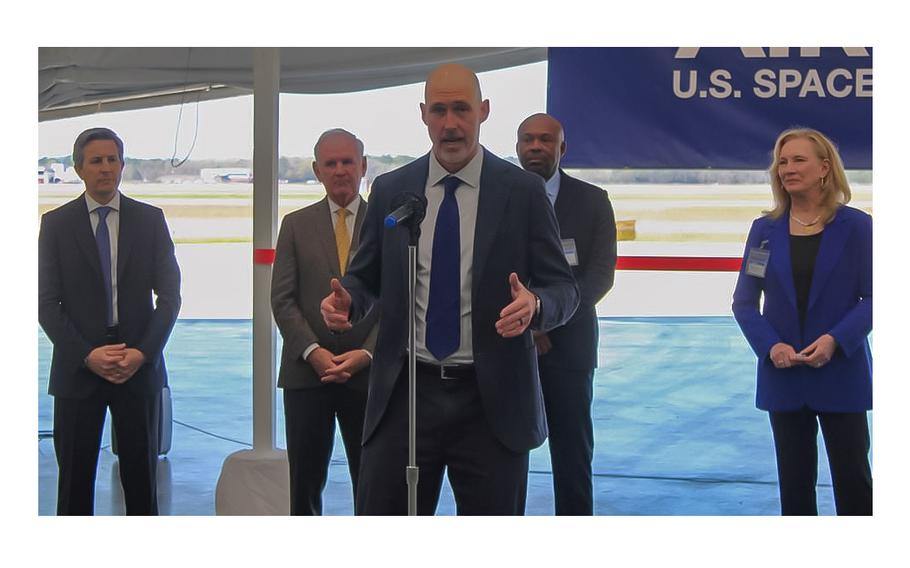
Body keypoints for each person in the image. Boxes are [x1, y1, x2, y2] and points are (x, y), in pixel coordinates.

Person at [320, 63, 579, 515]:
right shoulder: (392, 189)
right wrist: (349, 301)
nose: (451, 123)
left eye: (461, 109)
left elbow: (564, 288)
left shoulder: (521, 192)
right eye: (439, 110)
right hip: (406, 395)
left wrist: (535, 305)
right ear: (424, 115)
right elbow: (366, 277)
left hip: (491, 401)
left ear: (483, 111)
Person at [38, 127, 181, 515]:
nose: (106, 168)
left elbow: (169, 297)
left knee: (141, 485)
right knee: (73, 488)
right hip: (78, 370)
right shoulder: (56, 225)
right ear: (79, 168)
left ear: (122, 165)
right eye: (96, 161)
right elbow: (47, 303)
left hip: (137, 367)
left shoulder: (150, 220)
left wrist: (142, 353)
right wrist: (87, 355)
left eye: (112, 159)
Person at [732, 127, 872, 515]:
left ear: (825, 168)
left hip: (840, 372)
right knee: (794, 488)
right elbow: (744, 302)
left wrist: (835, 340)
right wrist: (770, 346)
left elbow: (876, 297)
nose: (787, 168)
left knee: (854, 483)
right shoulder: (765, 230)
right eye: (782, 161)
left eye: (798, 160)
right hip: (784, 374)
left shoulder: (858, 227)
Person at [271, 129, 378, 515]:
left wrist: (367, 354)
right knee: (305, 485)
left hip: (368, 377)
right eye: (330, 164)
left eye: (347, 162)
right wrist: (313, 352)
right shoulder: (296, 225)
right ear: (317, 171)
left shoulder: (388, 227)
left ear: (363, 166)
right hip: (307, 376)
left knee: (372, 484)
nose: (340, 171)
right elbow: (282, 299)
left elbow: (402, 299)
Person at [516, 113, 616, 515]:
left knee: (573, 456)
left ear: (563, 148)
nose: (535, 147)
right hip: (510, 345)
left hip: (569, 349)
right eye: (527, 140)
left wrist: (545, 319)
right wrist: (526, 328)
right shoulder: (500, 195)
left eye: (545, 140)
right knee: (505, 458)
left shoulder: (592, 201)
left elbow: (599, 277)